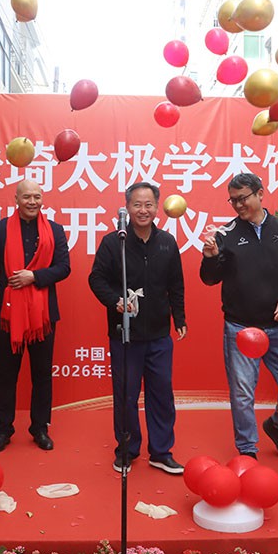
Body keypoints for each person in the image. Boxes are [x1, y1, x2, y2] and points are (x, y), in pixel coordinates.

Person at [200, 173, 278, 460]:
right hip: (241, 327)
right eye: (233, 200)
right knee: (242, 393)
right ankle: (247, 449)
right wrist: (211, 258)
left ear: (260, 193)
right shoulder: (226, 234)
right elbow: (209, 279)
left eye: (243, 198)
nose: (238, 205)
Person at [88, 182, 187, 475]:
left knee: (161, 395)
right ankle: (127, 450)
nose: (143, 210)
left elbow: (176, 285)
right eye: (137, 205)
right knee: (126, 396)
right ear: (127, 207)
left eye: (148, 205)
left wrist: (179, 318)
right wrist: (115, 301)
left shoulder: (167, 242)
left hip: (159, 333)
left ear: (157, 208)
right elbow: (96, 279)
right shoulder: (114, 242)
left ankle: (161, 452)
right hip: (125, 334)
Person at [0, 180, 71, 453]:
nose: (32, 202)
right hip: (8, 313)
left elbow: (64, 267)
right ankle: (3, 430)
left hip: (43, 315)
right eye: (27, 197)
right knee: (6, 374)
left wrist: (34, 276)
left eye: (37, 197)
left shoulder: (54, 230)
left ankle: (40, 428)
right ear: (16, 199)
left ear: (42, 199)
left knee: (42, 374)